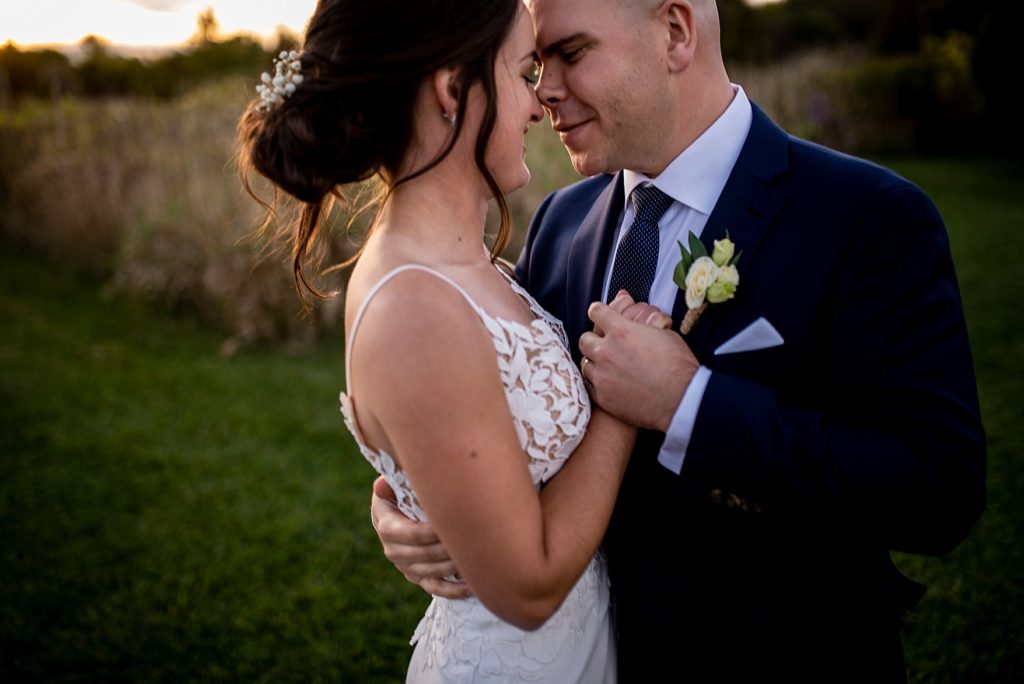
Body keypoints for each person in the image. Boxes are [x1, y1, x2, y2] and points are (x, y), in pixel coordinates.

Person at [371, 0, 987, 681]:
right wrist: (412, 513)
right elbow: (512, 427)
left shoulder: (867, 219)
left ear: (675, 32)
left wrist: (690, 404)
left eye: (570, 54)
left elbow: (939, 492)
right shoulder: (561, 220)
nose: (543, 90)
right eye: (538, 64)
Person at [238, 0, 679, 681]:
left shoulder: (471, 267)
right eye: (521, 71)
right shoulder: (417, 307)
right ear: (452, 89)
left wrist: (406, 502)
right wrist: (623, 403)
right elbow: (528, 588)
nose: (539, 104)